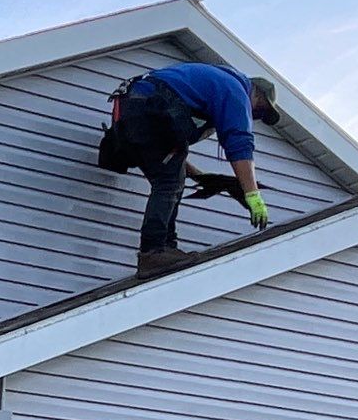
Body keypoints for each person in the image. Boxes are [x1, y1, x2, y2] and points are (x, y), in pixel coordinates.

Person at [105, 63, 282, 273]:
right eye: (260, 110)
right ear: (256, 94)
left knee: (171, 179)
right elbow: (240, 143)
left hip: (130, 111)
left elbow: (168, 154)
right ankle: (153, 253)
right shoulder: (235, 91)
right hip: (147, 111)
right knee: (169, 183)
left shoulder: (207, 83)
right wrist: (252, 195)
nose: (254, 115)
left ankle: (166, 249)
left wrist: (198, 176)